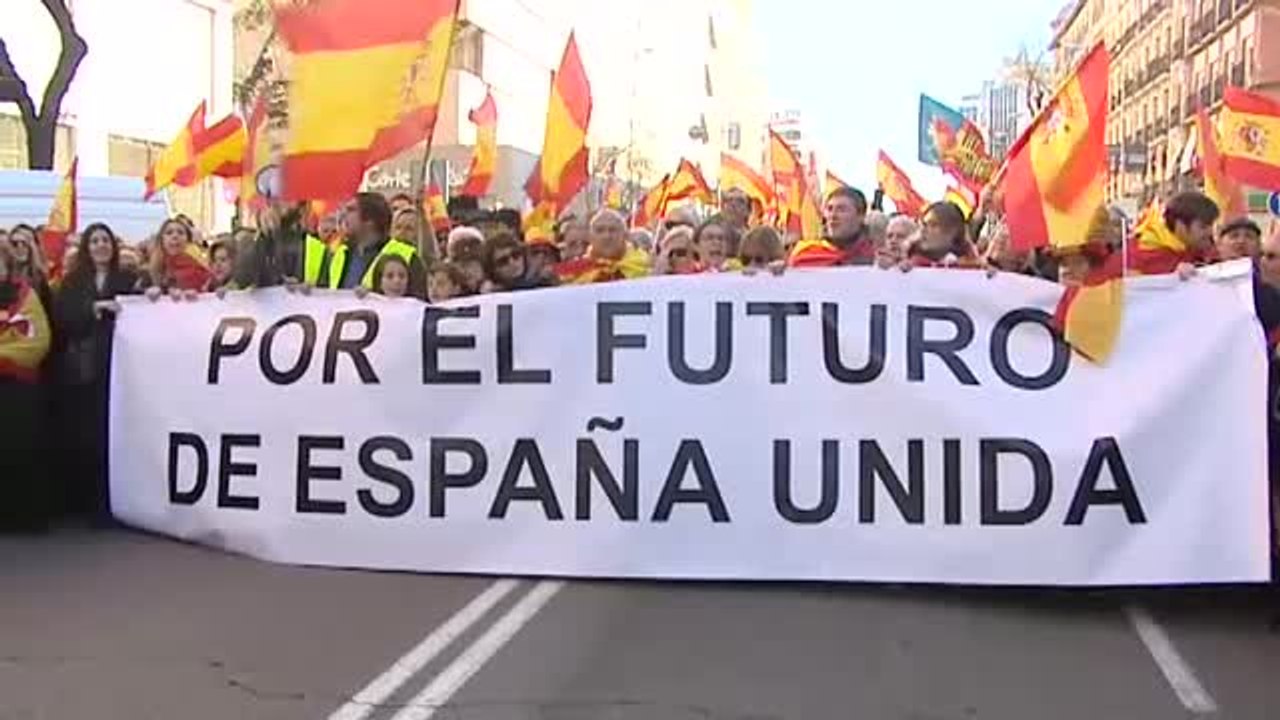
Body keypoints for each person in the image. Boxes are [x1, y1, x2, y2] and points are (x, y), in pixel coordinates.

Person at [52, 223, 139, 521]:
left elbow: (142, 312)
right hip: (82, 369)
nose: (101, 246)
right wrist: (94, 308)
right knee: (83, 436)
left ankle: (108, 504)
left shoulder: (128, 279)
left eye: (106, 241)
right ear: (87, 248)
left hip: (116, 369)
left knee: (110, 437)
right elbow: (62, 318)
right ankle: (80, 503)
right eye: (95, 241)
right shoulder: (73, 281)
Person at [0, 237, 53, 532]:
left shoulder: (26, 296)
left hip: (17, 390)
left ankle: (22, 517)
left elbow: (36, 341)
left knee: (19, 451)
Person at [318, 192, 427, 296]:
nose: (343, 215)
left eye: (351, 210)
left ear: (369, 221)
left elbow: (418, 304)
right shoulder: (338, 254)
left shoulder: (407, 256)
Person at [1128, 191, 1219, 276]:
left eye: (1211, 225)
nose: (1210, 232)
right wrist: (1173, 275)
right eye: (1203, 227)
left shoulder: (1200, 246)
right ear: (1180, 226)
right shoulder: (1146, 256)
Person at [556, 209, 650, 284]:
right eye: (600, 230)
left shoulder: (645, 267)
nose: (607, 236)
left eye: (613, 230)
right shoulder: (575, 272)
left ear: (625, 236)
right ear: (590, 237)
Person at [143, 218, 211, 297]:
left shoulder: (199, 270)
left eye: (180, 233)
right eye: (169, 233)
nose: (175, 236)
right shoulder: (147, 273)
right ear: (162, 239)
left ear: (187, 240)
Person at [906, 202, 980, 268]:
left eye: (933, 225)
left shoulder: (972, 267)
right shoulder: (908, 263)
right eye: (924, 224)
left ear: (953, 231)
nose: (923, 230)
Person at [482, 230, 554, 292]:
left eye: (516, 255)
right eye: (503, 261)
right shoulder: (490, 295)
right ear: (493, 270)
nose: (512, 262)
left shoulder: (547, 282)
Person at [824, 186, 874, 264]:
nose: (833, 216)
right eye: (830, 209)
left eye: (841, 210)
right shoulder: (806, 254)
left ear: (861, 216)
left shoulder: (879, 258)